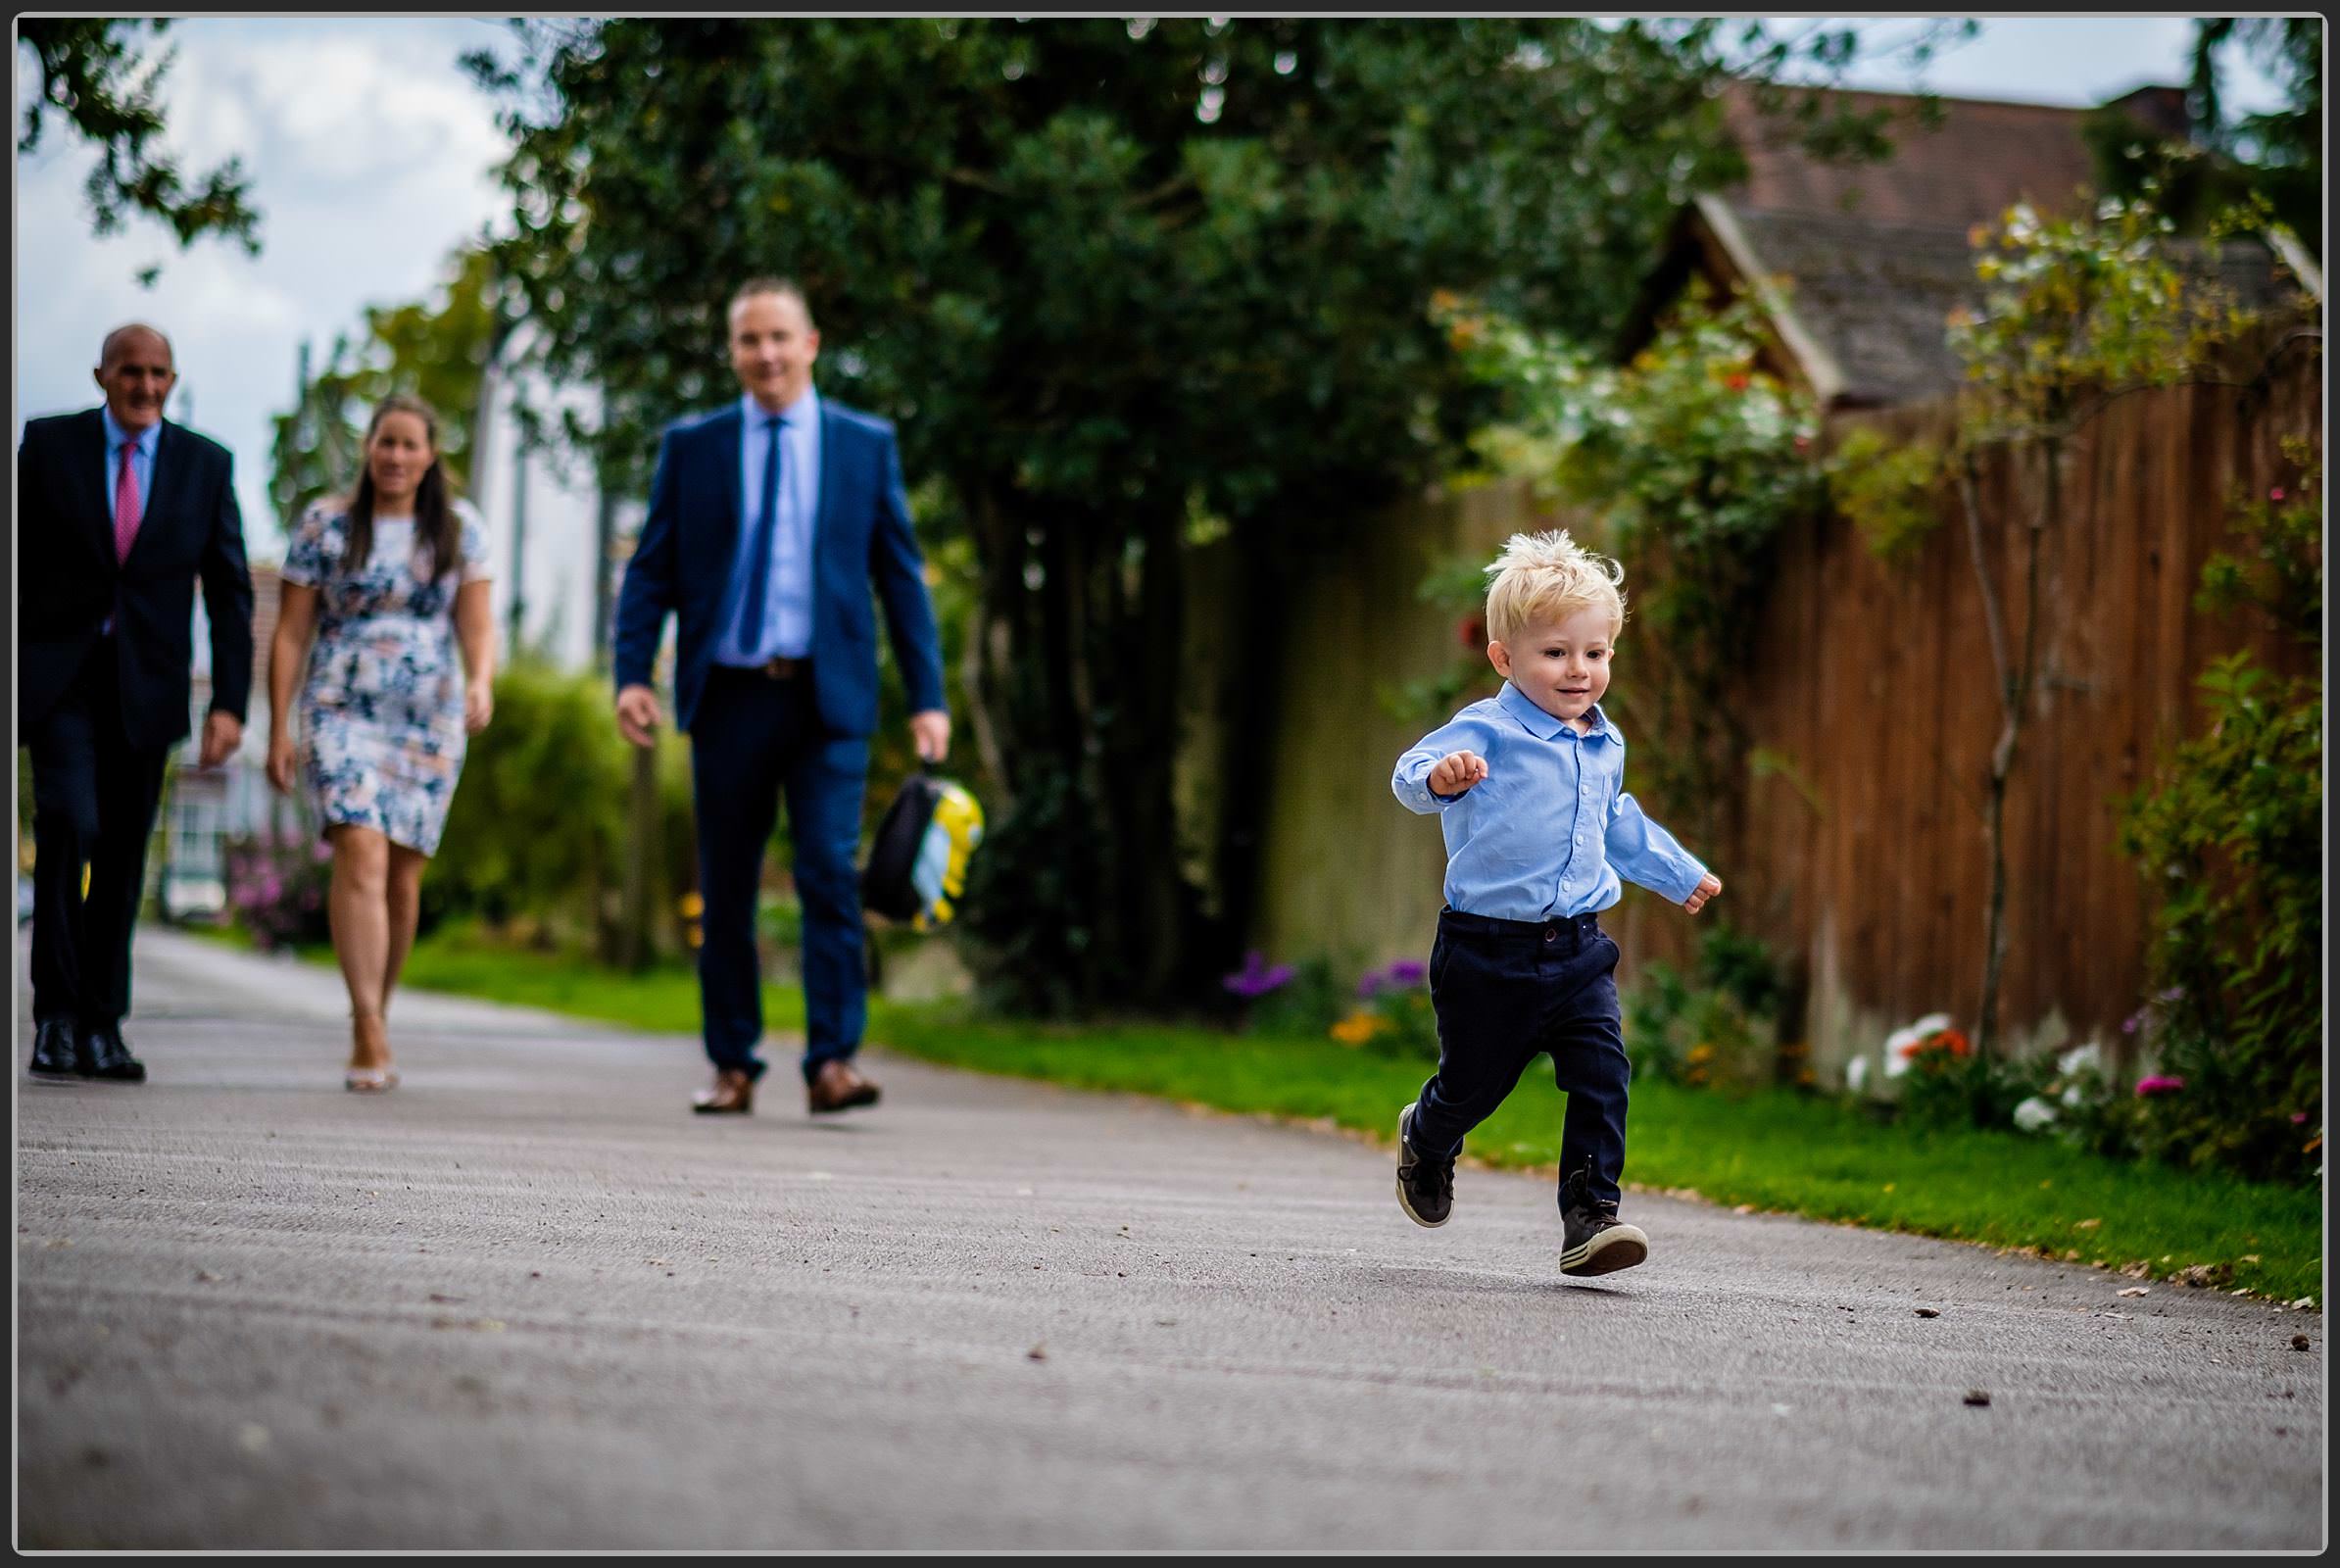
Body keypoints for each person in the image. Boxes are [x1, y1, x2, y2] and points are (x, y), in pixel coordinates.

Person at [612, 277, 949, 1118]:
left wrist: (928, 697)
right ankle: (733, 1064)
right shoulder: (694, 446)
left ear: (811, 344)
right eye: (748, 340)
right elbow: (651, 567)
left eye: (779, 337)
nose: (764, 354)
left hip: (826, 698)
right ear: (732, 352)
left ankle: (832, 1062)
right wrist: (630, 674)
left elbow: (900, 577)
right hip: (727, 695)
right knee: (725, 883)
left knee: (828, 870)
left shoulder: (864, 445)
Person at [1389, 530, 1723, 1278]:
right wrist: (1442, 777)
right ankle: (1430, 1134)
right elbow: (1409, 772)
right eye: (1556, 654)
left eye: (1596, 653)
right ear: (1505, 658)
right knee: (1475, 1085)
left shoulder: (1605, 743)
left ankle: (1590, 1216)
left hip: (1577, 950)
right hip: (1486, 951)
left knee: (1603, 1072)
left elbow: (1616, 823)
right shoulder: (1489, 730)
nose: (1580, 671)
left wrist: (1678, 873)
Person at [18, 323, 252, 1083]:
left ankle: (102, 1025)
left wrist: (230, 704)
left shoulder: (205, 465)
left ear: (172, 380)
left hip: (149, 687)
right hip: (60, 681)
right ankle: (54, 1017)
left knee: (122, 854)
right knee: (67, 822)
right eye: (129, 372)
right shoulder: (48, 447)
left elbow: (229, 591)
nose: (144, 386)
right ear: (101, 376)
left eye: (157, 374)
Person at [266, 394, 496, 1091]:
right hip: (341, 707)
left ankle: (379, 1012)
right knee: (359, 849)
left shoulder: (458, 528)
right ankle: (366, 1026)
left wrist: (482, 680)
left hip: (428, 717)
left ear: (431, 455)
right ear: (369, 449)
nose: (395, 457)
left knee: (402, 876)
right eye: (384, 443)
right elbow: (292, 632)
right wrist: (278, 723)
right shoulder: (325, 525)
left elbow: (477, 624)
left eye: (409, 445)